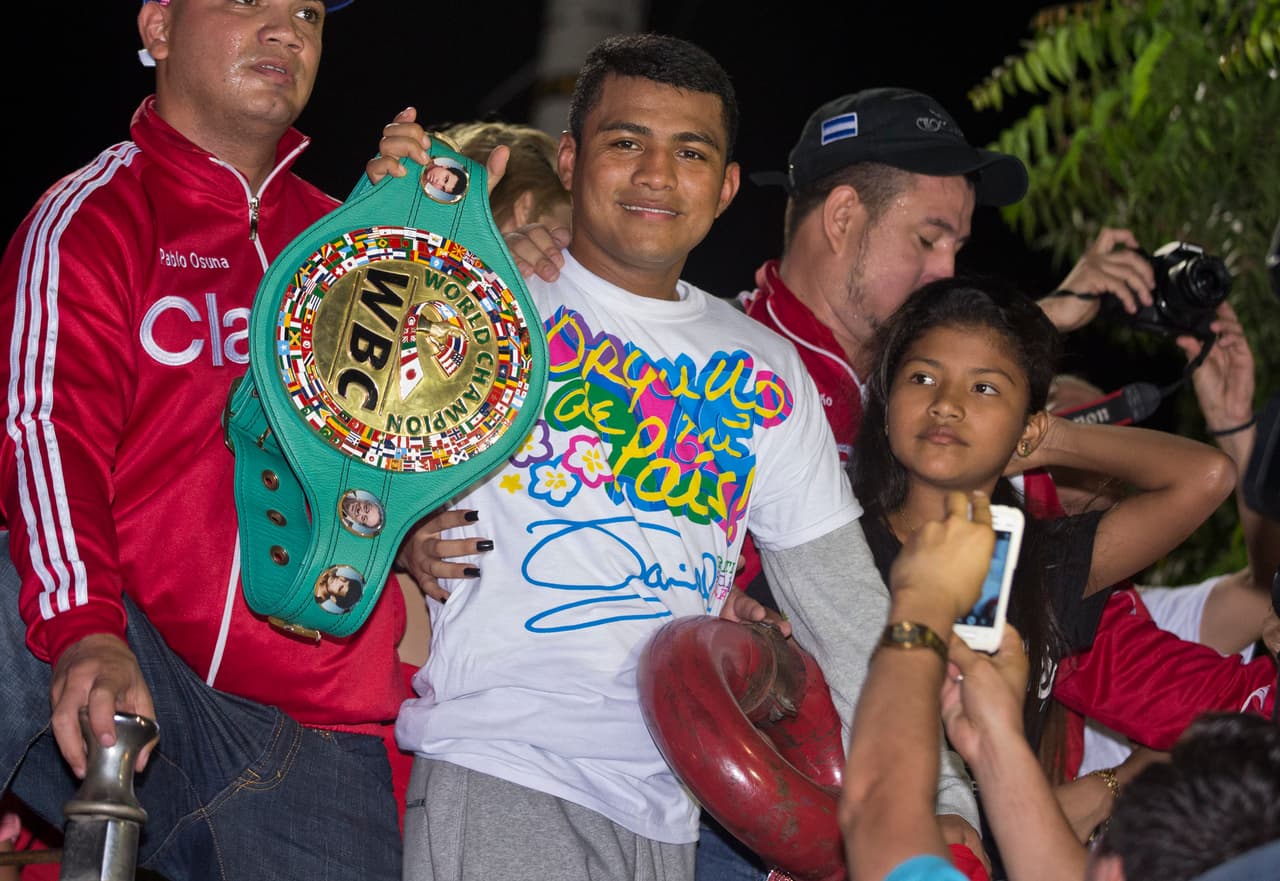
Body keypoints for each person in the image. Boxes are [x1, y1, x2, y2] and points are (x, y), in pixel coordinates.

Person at [371, 33, 981, 881]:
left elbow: (846, 614)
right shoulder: (490, 299)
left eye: (690, 152)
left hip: (672, 803)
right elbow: (319, 446)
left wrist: (943, 794)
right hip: (507, 761)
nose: (657, 175)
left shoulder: (767, 368)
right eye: (627, 142)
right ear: (573, 159)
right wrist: (389, 234)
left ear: (725, 187)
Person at [0, 2, 416, 879]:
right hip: (143, 672)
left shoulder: (358, 246)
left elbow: (426, 453)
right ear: (159, 27)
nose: (286, 30)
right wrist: (85, 628)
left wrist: (460, 250)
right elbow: (46, 431)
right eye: (247, 0)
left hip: (323, 735)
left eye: (306, 11)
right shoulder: (94, 215)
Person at [849, 275, 1238, 840]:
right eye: (922, 377)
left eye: (984, 388)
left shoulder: (1043, 561)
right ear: (886, 406)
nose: (946, 404)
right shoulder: (835, 543)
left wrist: (1047, 439)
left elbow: (1208, 477)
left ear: (1029, 425)